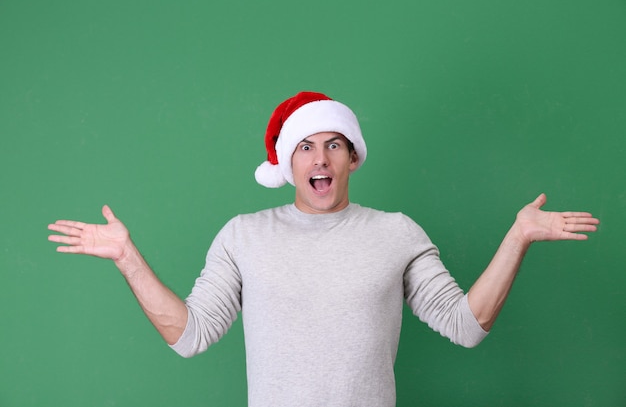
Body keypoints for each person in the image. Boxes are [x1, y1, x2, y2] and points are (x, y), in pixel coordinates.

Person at [48, 91, 599, 407]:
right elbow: (189, 335)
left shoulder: (396, 233)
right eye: (305, 147)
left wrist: (518, 236)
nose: (319, 159)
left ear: (352, 158)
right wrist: (128, 258)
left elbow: (466, 324)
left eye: (333, 145)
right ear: (288, 163)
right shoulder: (244, 234)